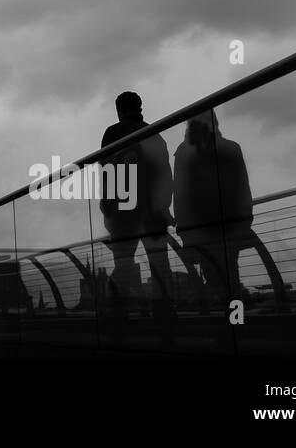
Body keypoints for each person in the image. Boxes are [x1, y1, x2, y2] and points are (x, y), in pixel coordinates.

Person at [99, 91, 174, 338]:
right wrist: (163, 207)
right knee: (159, 265)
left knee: (123, 264)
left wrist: (107, 205)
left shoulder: (112, 134)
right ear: (139, 107)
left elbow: (107, 171)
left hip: (122, 213)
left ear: (118, 110)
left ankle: (118, 318)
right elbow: (165, 173)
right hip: (152, 210)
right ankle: (164, 319)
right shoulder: (156, 134)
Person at [173, 108, 253, 313]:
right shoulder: (231, 148)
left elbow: (180, 194)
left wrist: (184, 232)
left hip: (201, 230)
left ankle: (225, 329)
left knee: (215, 280)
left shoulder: (184, 152)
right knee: (231, 281)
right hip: (230, 226)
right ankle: (236, 325)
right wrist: (245, 222)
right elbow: (243, 188)